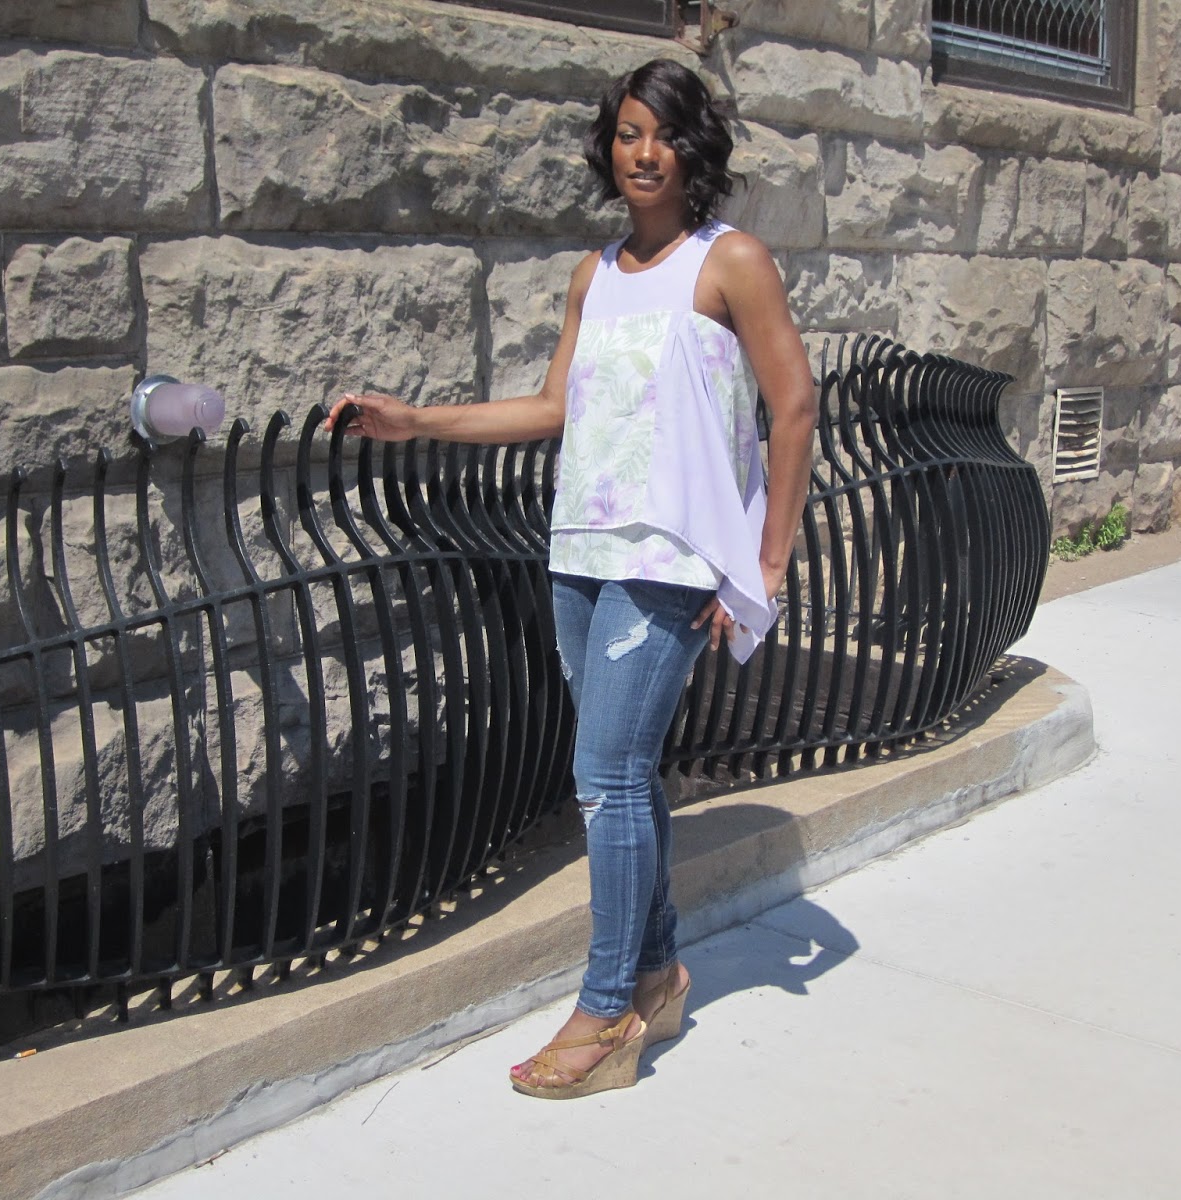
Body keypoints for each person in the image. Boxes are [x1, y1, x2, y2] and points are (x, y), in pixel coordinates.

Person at [324, 58, 817, 1099]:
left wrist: (765, 561)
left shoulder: (729, 262)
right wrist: (414, 421)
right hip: (582, 552)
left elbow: (795, 405)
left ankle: (605, 1012)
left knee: (605, 774)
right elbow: (556, 409)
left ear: (694, 150)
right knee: (622, 775)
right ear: (609, 147)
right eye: (630, 133)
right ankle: (657, 971)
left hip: (670, 558)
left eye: (665, 134)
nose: (645, 153)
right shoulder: (594, 275)